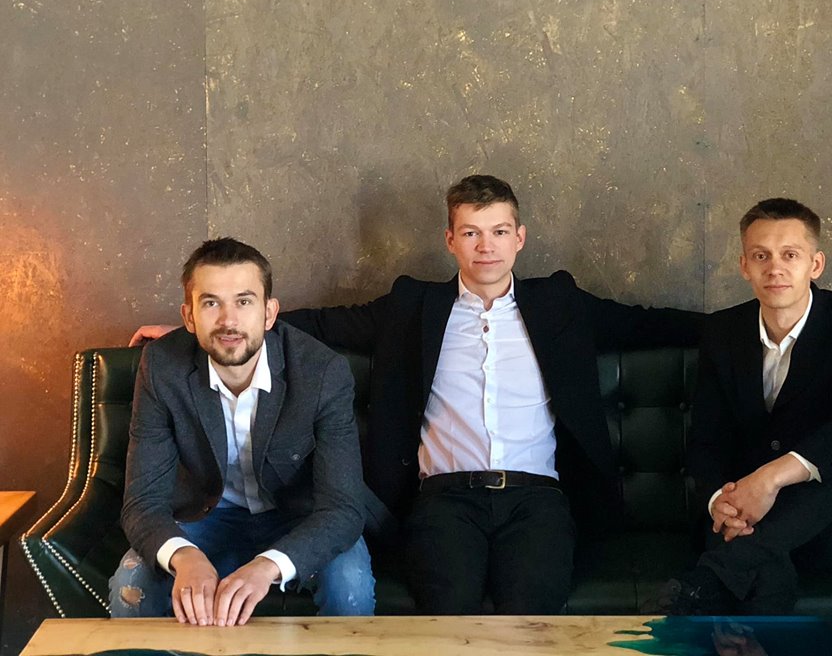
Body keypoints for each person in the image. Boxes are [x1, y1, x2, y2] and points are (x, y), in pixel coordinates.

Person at [133, 175, 700, 614]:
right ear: (450, 240)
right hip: (444, 501)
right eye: (471, 232)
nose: (486, 247)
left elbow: (647, 323)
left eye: (499, 231)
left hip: (539, 498)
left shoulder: (559, 303)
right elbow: (319, 323)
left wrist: (738, 329)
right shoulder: (413, 307)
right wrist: (193, 333)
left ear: (520, 238)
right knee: (445, 620)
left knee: (532, 620)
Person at [111, 237, 375, 625]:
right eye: (211, 303)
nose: (228, 321)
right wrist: (185, 556)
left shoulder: (322, 372)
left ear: (269, 313)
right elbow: (142, 501)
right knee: (130, 586)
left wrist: (269, 565)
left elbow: (343, 508)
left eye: (244, 301)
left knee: (351, 585)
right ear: (188, 317)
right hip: (204, 517)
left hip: (298, 518)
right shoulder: (162, 366)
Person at [658, 198, 832, 615]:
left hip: (824, 525)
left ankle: (706, 580)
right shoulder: (723, 331)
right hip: (743, 520)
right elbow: (707, 438)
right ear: (744, 266)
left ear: (815, 264)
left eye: (790, 255)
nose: (775, 268)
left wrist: (770, 479)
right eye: (761, 256)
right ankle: (716, 583)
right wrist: (720, 503)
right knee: (763, 571)